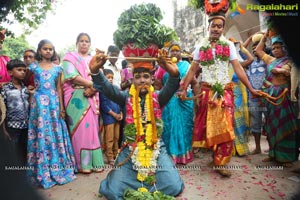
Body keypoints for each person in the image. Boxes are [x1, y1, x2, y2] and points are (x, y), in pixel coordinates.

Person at [89, 50, 184, 199]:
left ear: (152, 80)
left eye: (146, 76)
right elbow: (107, 88)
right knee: (114, 191)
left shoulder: (159, 97)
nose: (141, 81)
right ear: (132, 80)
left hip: (155, 148)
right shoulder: (125, 97)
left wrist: (173, 73)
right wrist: (95, 71)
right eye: (137, 77)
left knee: (173, 186)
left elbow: (172, 86)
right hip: (129, 150)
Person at [179, 11, 259, 177]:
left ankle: (221, 161)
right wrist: (183, 88)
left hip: (225, 92)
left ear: (223, 28)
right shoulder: (201, 46)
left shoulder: (228, 46)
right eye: (213, 25)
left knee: (226, 126)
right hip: (207, 92)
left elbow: (238, 68)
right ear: (208, 27)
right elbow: (193, 69)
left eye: (219, 26)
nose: (216, 29)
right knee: (209, 126)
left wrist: (251, 88)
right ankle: (216, 156)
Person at [26, 39, 76, 189]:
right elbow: (26, 81)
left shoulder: (58, 69)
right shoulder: (33, 67)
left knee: (55, 132)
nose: (48, 51)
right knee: (40, 133)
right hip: (39, 105)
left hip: (53, 103)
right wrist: (31, 90)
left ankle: (57, 166)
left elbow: (59, 89)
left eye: (51, 49)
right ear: (39, 50)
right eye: (45, 49)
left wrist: (62, 107)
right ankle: (41, 170)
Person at [255, 31, 299, 167]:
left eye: (278, 47)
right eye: (273, 48)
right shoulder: (271, 60)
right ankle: (273, 154)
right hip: (271, 97)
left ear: (284, 48)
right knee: (271, 125)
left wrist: (281, 71)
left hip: (284, 98)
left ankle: (286, 157)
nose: (275, 50)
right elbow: (258, 50)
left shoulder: (291, 61)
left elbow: (290, 73)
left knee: (284, 125)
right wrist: (265, 36)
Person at [61, 33, 104, 173]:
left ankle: (96, 163)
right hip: (75, 98)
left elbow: (101, 78)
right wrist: (92, 84)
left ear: (90, 44)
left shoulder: (94, 60)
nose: (84, 43)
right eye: (81, 41)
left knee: (92, 130)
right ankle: (83, 164)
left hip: (92, 96)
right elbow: (71, 76)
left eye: (87, 41)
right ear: (77, 43)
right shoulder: (69, 57)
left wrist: (93, 88)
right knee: (80, 131)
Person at [154, 43, 195, 164]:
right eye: (172, 51)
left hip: (184, 99)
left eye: (177, 51)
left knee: (185, 126)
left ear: (181, 53)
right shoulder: (163, 66)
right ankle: (170, 155)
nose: (175, 53)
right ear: (169, 53)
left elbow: (193, 82)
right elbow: (157, 83)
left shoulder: (186, 65)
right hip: (169, 99)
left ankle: (183, 155)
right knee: (170, 126)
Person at [0, 59, 31, 165]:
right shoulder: (5, 90)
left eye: (24, 70)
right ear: (10, 72)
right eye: (19, 70)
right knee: (13, 152)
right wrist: (3, 129)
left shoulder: (26, 89)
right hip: (12, 127)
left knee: (24, 151)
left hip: (26, 126)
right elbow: (2, 111)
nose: (23, 72)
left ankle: (23, 175)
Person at [228, 38, 254, 157]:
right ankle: (230, 148)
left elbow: (251, 59)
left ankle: (240, 147)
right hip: (227, 96)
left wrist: (242, 47)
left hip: (238, 96)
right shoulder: (223, 65)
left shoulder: (238, 64)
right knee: (228, 120)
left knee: (238, 120)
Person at [243, 33, 268, 155]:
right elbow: (241, 49)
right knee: (256, 123)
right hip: (253, 98)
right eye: (253, 47)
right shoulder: (250, 63)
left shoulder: (268, 60)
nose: (254, 49)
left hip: (267, 97)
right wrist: (250, 37)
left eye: (257, 47)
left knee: (269, 122)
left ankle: (272, 148)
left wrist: (264, 37)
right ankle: (257, 147)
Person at [100, 69, 123, 165]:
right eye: (108, 77)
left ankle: (115, 154)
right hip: (109, 118)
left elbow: (120, 101)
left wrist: (121, 113)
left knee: (117, 137)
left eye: (111, 78)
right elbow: (104, 106)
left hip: (117, 117)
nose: (110, 79)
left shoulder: (115, 88)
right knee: (109, 138)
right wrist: (114, 114)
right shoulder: (102, 90)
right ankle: (109, 157)